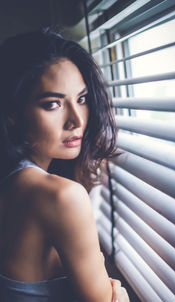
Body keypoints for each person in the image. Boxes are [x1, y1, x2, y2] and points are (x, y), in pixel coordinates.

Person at [0, 28, 130, 302]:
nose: (77, 121)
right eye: (52, 104)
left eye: (81, 99)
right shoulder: (60, 196)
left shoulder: (13, 182)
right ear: (12, 113)